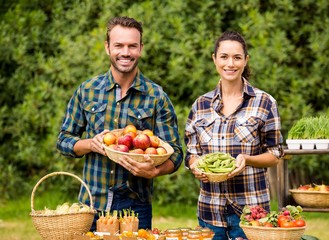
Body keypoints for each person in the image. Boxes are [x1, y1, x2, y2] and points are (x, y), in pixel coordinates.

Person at [57, 16, 183, 231]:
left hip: (136, 206)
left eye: (132, 46)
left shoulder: (156, 96)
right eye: (119, 45)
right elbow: (63, 141)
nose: (126, 52)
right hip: (91, 203)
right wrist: (90, 144)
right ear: (107, 47)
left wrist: (155, 171)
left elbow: (177, 153)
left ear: (141, 48)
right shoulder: (87, 90)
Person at [184, 31, 283, 240]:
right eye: (224, 57)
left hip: (251, 214)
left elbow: (275, 154)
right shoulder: (200, 105)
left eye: (237, 57)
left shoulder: (264, 102)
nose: (230, 64)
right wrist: (196, 166)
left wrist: (246, 160)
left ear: (246, 60)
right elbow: (191, 153)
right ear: (214, 59)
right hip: (210, 212)